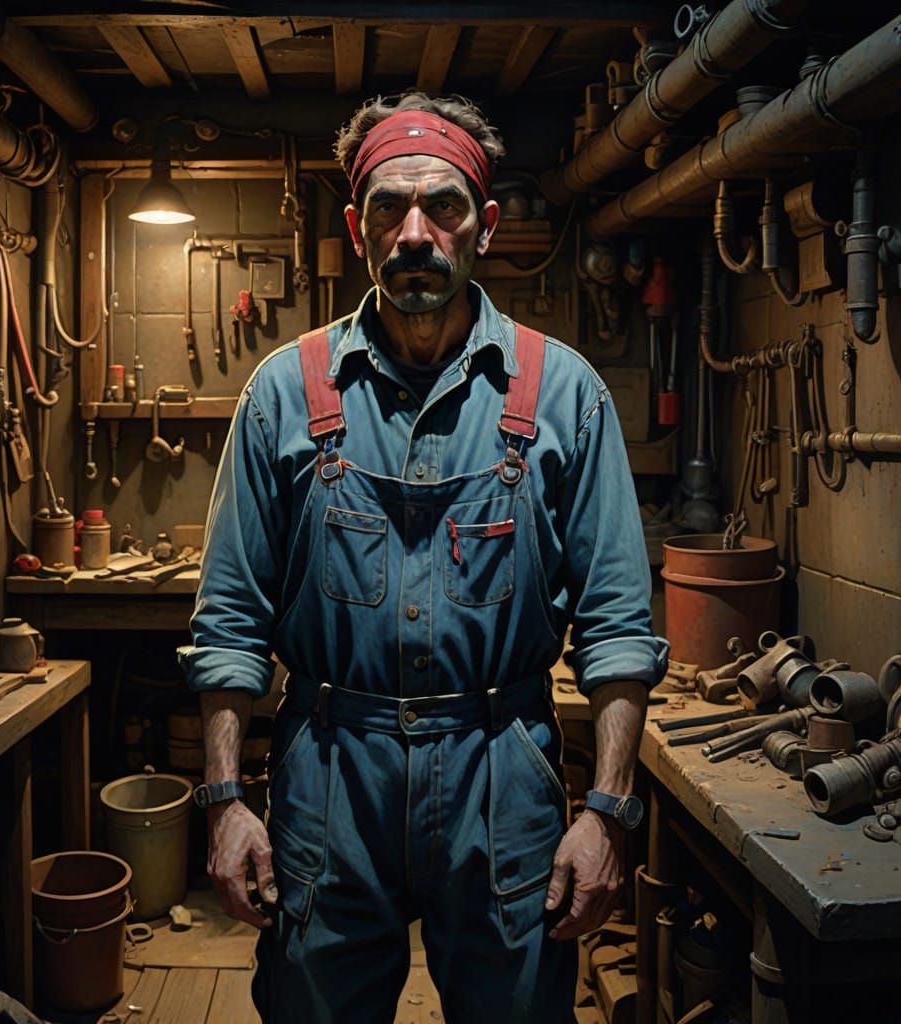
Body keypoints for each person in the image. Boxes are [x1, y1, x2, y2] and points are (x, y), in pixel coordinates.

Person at [179, 91, 668, 1023]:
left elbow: (617, 628)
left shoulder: (563, 394)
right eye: (388, 209)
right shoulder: (285, 392)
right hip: (330, 774)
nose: (415, 233)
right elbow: (230, 619)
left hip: (502, 775)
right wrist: (225, 800)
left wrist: (607, 814)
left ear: (484, 225)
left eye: (442, 206)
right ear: (357, 229)